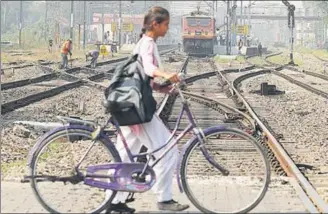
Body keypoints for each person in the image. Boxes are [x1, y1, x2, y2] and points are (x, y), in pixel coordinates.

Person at [105, 6, 189, 213]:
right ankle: (165, 199)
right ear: (155, 24)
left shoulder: (143, 42)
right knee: (168, 149)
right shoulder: (148, 43)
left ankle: (114, 201)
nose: (167, 29)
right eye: (166, 24)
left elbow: (143, 77)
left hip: (131, 107)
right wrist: (166, 74)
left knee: (124, 156)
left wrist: (164, 88)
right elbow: (149, 69)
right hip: (137, 110)